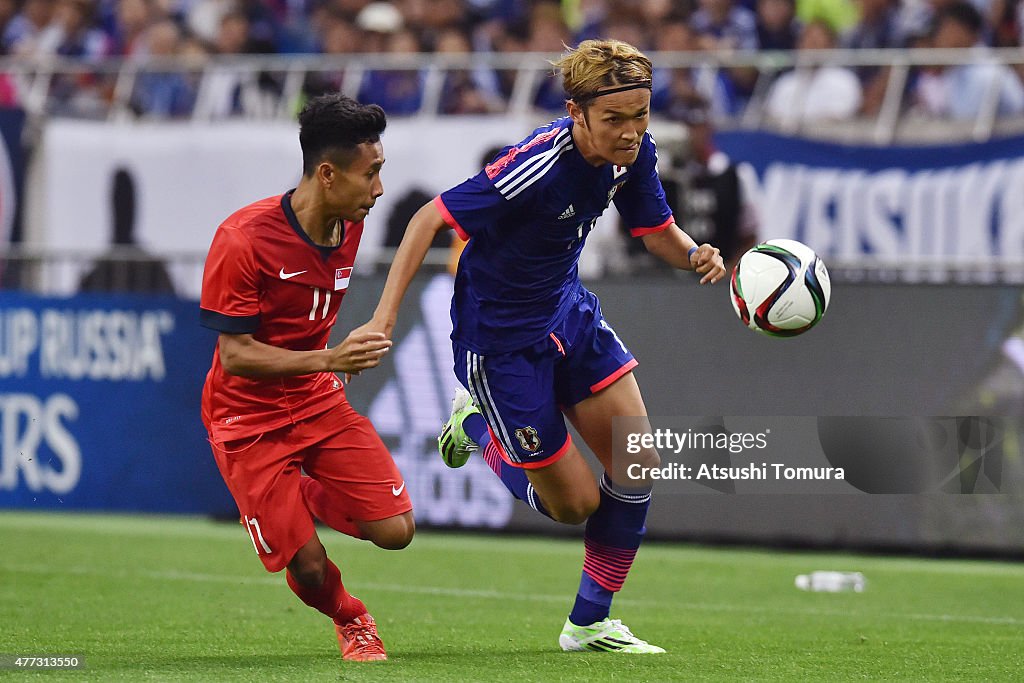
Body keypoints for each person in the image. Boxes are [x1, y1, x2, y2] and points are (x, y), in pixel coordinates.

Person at [363, 39, 725, 653]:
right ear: (576, 112)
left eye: (640, 115)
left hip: (567, 313)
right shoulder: (539, 164)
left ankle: (589, 624)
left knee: (638, 463)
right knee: (574, 505)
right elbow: (429, 218)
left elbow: (653, 229)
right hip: (500, 344)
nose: (631, 131)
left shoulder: (630, 150)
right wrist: (383, 319)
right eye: (615, 119)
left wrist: (694, 254)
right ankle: (476, 423)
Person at [199, 94, 414, 663]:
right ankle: (353, 619)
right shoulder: (242, 238)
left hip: (316, 402)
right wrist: (329, 361)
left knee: (396, 530)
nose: (379, 189)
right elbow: (237, 355)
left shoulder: (350, 225)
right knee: (311, 564)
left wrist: (326, 367)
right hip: (246, 416)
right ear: (327, 174)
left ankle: (303, 492)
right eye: (371, 174)